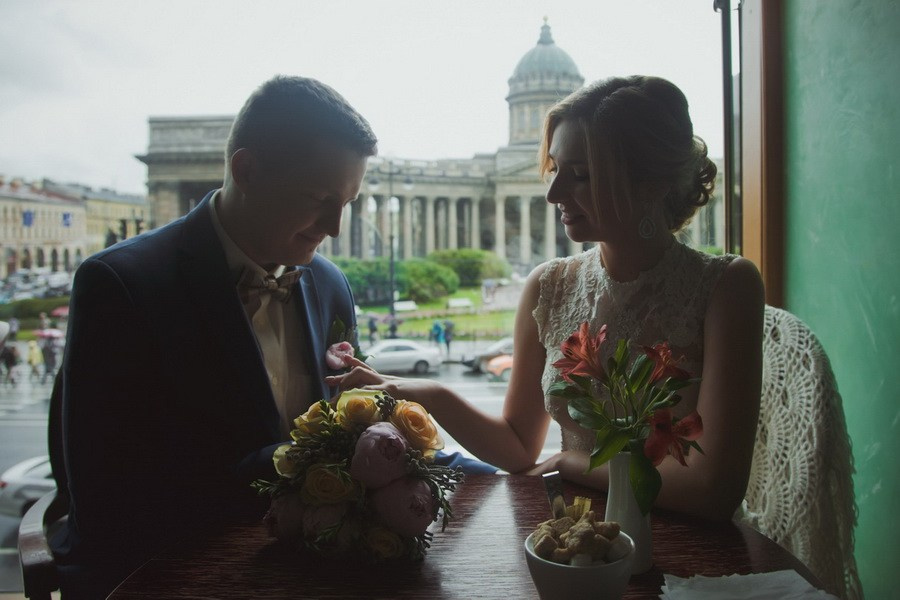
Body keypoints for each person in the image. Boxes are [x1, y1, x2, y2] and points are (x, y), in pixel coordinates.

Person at [330, 76, 764, 522]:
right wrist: (428, 394)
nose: (554, 193)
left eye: (581, 175)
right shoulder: (549, 285)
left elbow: (713, 489)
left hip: (688, 544)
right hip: (571, 533)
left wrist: (569, 463)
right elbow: (519, 447)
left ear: (650, 183)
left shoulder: (726, 286)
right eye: (555, 168)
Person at [53, 75, 377, 599]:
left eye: (347, 203)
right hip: (167, 571)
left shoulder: (329, 282)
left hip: (310, 568)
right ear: (245, 170)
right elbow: (105, 494)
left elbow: (348, 425)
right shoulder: (121, 285)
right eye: (320, 198)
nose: (336, 228)